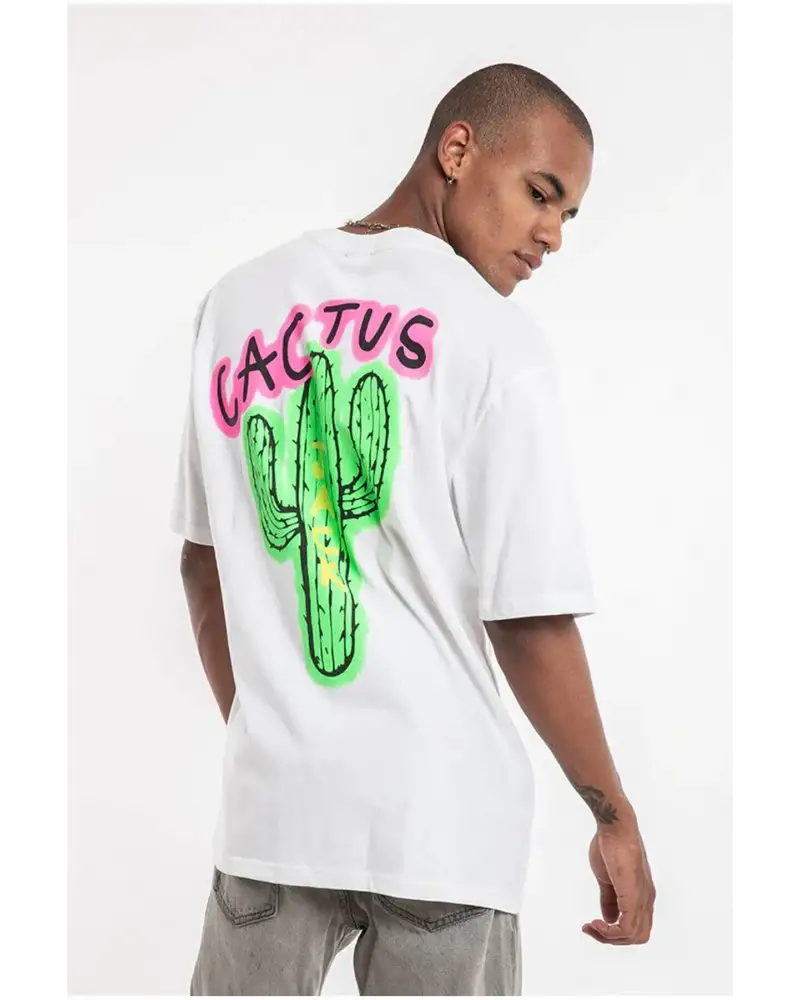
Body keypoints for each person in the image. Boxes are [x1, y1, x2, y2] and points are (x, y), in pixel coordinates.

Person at [171, 62, 656, 997]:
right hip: (444, 827)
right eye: (541, 193)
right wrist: (613, 813)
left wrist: (276, 732)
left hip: (274, 817)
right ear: (458, 149)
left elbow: (204, 563)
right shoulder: (495, 340)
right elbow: (529, 618)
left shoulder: (235, 303)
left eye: (568, 214)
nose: (553, 235)